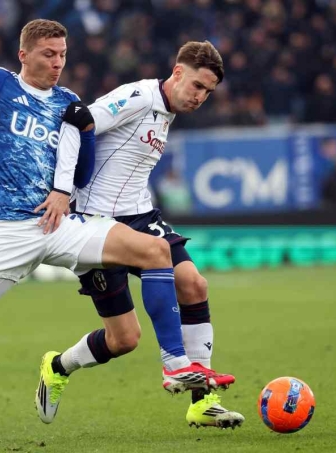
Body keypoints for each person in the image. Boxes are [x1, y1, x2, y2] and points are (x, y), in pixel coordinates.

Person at [0, 3, 234, 450]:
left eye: (62, 54)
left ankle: (177, 365)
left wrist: (66, 183)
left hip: (60, 221)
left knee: (157, 253)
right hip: (5, 230)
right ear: (24, 55)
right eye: (48, 54)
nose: (58, 62)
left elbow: (82, 166)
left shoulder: (67, 101)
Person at [39, 41, 244, 429]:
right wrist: (63, 188)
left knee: (194, 284)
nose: (201, 97)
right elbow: (78, 120)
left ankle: (202, 400)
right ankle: (58, 366)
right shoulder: (137, 97)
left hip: (139, 216)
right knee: (124, 340)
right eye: (198, 86)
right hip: (94, 224)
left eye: (208, 92)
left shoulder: (167, 110)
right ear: (178, 73)